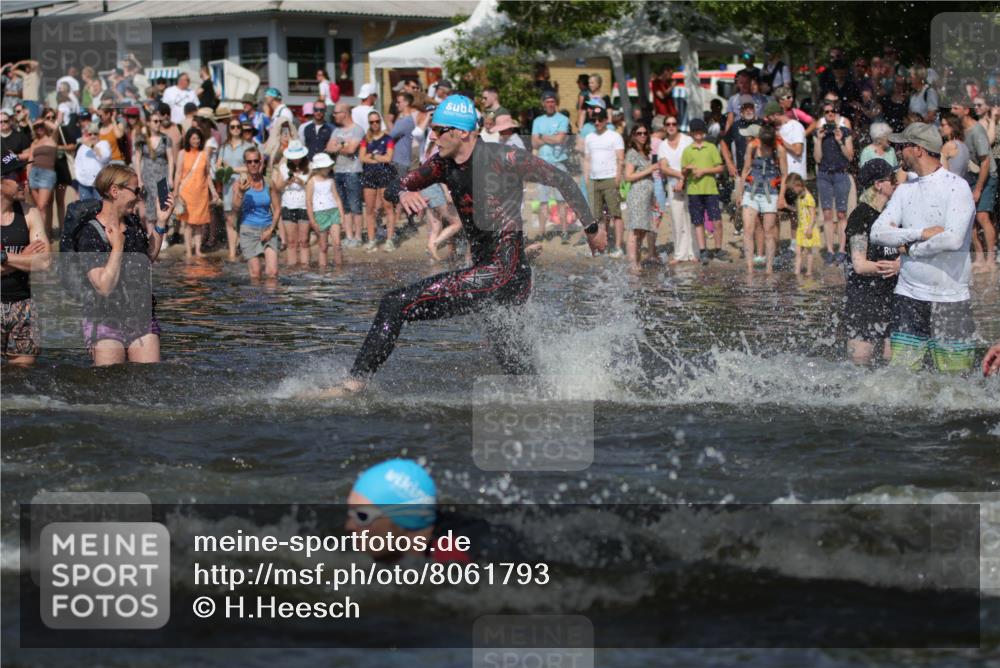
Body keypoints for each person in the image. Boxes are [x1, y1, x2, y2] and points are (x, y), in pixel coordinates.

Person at [312, 95, 605, 397]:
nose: (433, 135)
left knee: (394, 303)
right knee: (512, 361)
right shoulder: (442, 164)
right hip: (500, 275)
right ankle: (552, 398)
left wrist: (591, 229)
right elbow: (394, 187)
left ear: (462, 132)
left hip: (502, 273)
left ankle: (352, 387)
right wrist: (401, 195)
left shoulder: (506, 157)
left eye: (439, 130)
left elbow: (561, 179)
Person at [870, 123, 977, 373]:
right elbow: (877, 233)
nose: (897, 151)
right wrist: (919, 233)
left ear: (917, 150)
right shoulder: (904, 190)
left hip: (951, 300)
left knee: (957, 384)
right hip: (908, 297)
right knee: (902, 380)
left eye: (902, 146)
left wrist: (910, 249)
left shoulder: (956, 186)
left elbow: (952, 240)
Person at [77, 164, 173, 366]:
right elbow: (104, 286)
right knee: (111, 382)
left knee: (148, 379)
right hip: (105, 320)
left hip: (141, 315)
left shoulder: (133, 222)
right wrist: (118, 247)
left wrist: (161, 223)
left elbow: (147, 259)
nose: (139, 196)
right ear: (115, 191)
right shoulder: (90, 233)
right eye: (136, 190)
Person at [843, 159, 899, 365]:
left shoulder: (891, 215)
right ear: (878, 185)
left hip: (890, 298)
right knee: (861, 363)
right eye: (892, 179)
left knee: (889, 365)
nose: (896, 182)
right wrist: (894, 267)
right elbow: (859, 265)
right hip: (864, 300)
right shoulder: (861, 216)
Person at [345, 459, 453, 564]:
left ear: (404, 518)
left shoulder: (454, 558)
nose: (349, 526)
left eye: (362, 516)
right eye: (350, 513)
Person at [1, 149, 49, 366]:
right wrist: (23, 258)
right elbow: (32, 261)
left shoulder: (30, 213)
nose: (25, 180)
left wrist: (2, 257)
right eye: (17, 175)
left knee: (23, 381)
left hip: (24, 305)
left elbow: (44, 262)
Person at [952, 98, 997, 271]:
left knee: (982, 216)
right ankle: (979, 256)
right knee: (968, 217)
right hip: (970, 176)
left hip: (987, 175)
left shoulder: (976, 131)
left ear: (966, 110)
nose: (953, 110)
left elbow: (985, 162)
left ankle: (991, 260)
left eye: (956, 107)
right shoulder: (960, 129)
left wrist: (978, 189)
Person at [735, 123, 787, 273]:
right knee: (748, 230)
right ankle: (750, 268)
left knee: (769, 231)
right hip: (751, 192)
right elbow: (745, 170)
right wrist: (740, 193)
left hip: (770, 194)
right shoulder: (752, 147)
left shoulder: (779, 150)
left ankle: (769, 269)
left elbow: (784, 176)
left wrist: (781, 196)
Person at [813, 101, 855, 264]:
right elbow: (817, 158)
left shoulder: (845, 131)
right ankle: (830, 250)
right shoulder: (819, 132)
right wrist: (819, 140)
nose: (830, 114)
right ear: (824, 115)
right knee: (828, 213)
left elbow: (850, 156)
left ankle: (842, 249)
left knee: (842, 213)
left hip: (840, 174)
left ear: (838, 113)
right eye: (827, 111)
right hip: (824, 175)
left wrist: (840, 141)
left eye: (833, 111)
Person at [232, 147, 280, 280]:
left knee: (273, 273)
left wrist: (271, 229)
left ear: (260, 162)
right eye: (249, 162)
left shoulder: (269, 183)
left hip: (268, 229)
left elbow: (277, 208)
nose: (253, 164)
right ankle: (256, 300)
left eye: (256, 161)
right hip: (248, 230)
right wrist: (241, 193)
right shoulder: (239, 184)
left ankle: (270, 300)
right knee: (256, 273)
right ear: (245, 164)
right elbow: (235, 209)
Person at [682, 118, 726, 262]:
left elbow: (720, 167)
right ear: (691, 133)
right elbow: (683, 172)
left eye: (700, 131)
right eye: (695, 132)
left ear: (704, 132)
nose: (698, 134)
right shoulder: (687, 151)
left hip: (711, 189)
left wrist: (704, 171)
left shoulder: (711, 147)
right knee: (698, 221)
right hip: (694, 190)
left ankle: (718, 249)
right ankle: (703, 250)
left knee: (717, 220)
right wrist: (686, 170)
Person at [584, 108, 625, 258]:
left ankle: (618, 246)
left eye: (600, 119)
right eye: (594, 119)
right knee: (597, 216)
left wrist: (617, 178)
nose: (597, 122)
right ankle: (602, 246)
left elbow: (620, 158)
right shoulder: (589, 137)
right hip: (594, 180)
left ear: (606, 120)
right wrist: (587, 178)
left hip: (610, 178)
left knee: (616, 214)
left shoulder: (615, 136)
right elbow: (587, 159)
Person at [532, 91, 571, 243]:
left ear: (556, 103)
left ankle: (564, 233)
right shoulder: (537, 121)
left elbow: (560, 139)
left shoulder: (563, 119)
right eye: (547, 101)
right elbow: (534, 143)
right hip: (542, 163)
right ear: (543, 103)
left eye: (552, 101)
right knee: (543, 200)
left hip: (559, 163)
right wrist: (551, 138)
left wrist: (542, 137)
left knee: (561, 200)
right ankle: (542, 232)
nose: (550, 104)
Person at [656, 115, 697, 264]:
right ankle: (680, 253)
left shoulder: (687, 140)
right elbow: (664, 167)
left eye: (674, 123)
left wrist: (684, 179)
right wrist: (680, 176)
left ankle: (693, 252)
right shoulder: (663, 145)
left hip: (691, 183)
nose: (671, 126)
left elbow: (693, 163)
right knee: (676, 218)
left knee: (691, 217)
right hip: (673, 184)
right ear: (665, 126)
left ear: (678, 125)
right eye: (668, 124)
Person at [173, 127, 218, 259]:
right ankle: (188, 250)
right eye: (193, 138)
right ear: (188, 139)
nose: (196, 141)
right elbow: (178, 173)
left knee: (199, 223)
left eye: (198, 138)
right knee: (187, 223)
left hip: (201, 192)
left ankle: (197, 250)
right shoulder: (182, 153)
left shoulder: (204, 154)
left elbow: (208, 175)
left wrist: (214, 192)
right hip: (186, 192)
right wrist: (175, 191)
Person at [217, 117, 256, 261]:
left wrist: (232, 169)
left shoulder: (247, 146)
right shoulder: (223, 147)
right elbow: (218, 165)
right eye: (232, 127)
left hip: (243, 185)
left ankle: (244, 248)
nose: (235, 129)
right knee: (229, 219)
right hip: (228, 186)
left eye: (238, 127)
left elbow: (251, 167)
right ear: (229, 129)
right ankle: (232, 252)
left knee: (243, 218)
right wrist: (222, 168)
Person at [623, 123, 660, 272]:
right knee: (635, 231)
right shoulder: (632, 153)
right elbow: (628, 176)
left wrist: (653, 198)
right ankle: (633, 264)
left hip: (646, 196)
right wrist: (650, 169)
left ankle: (636, 261)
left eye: (645, 133)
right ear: (633, 136)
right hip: (637, 195)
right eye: (639, 133)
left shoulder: (644, 153)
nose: (643, 136)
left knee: (642, 231)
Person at [132, 109, 175, 239]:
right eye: (155, 121)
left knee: (163, 205)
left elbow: (171, 158)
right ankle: (151, 235)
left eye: (159, 121)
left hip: (162, 175)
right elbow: (137, 159)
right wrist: (139, 178)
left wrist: (171, 177)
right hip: (148, 176)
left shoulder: (165, 138)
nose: (158, 124)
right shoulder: (142, 139)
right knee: (150, 207)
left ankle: (163, 237)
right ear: (149, 123)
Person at [359, 112, 397, 252]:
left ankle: (389, 239)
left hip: (385, 175)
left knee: (388, 208)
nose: (374, 124)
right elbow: (362, 158)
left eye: (376, 121)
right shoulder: (366, 139)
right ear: (369, 123)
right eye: (371, 122)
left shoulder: (388, 138)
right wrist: (379, 158)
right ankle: (371, 239)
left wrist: (373, 155)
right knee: (369, 209)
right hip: (369, 175)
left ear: (380, 121)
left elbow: (388, 158)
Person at [273, 140, 311, 267]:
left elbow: (314, 187)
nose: (295, 160)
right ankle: (292, 268)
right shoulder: (283, 168)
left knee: (304, 240)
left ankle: (305, 267)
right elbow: (277, 187)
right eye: (293, 157)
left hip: (304, 206)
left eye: (298, 157)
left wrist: (302, 182)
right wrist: (286, 182)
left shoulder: (309, 167)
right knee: (291, 241)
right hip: (288, 206)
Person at [305, 152, 344, 269]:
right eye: (326, 167)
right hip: (319, 214)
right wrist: (312, 220)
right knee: (323, 246)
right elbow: (308, 202)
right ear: (318, 168)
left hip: (333, 212)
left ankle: (339, 268)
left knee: (337, 243)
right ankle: (323, 270)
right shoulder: (312, 182)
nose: (328, 168)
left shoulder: (330, 181)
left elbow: (337, 198)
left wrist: (341, 215)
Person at [28, 119, 57, 237]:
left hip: (47, 174)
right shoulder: (34, 142)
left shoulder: (52, 139)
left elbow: (55, 127)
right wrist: (28, 176)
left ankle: (42, 235)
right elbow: (30, 161)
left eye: (41, 126)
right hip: (34, 173)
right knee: (39, 208)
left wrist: (42, 121)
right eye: (36, 127)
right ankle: (41, 234)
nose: (39, 128)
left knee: (42, 206)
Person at [787, 173, 820, 277]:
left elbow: (813, 215)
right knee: (798, 251)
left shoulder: (809, 198)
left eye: (793, 189)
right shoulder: (800, 197)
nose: (793, 191)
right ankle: (797, 271)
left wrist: (810, 228)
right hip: (801, 229)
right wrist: (787, 207)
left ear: (799, 185)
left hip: (808, 229)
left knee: (809, 251)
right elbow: (799, 211)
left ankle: (809, 271)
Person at [74, 122, 112, 202]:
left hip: (99, 184)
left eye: (95, 134)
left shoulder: (103, 143)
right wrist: (80, 178)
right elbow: (77, 164)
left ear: (99, 134)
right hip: (84, 184)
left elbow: (105, 157)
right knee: (86, 210)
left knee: (101, 208)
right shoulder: (82, 147)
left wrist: (92, 146)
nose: (93, 136)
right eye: (90, 134)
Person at [939, 113, 969, 180]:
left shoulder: (949, 145)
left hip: (950, 185)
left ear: (952, 126)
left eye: (942, 125)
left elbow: (940, 170)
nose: (940, 128)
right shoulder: (963, 144)